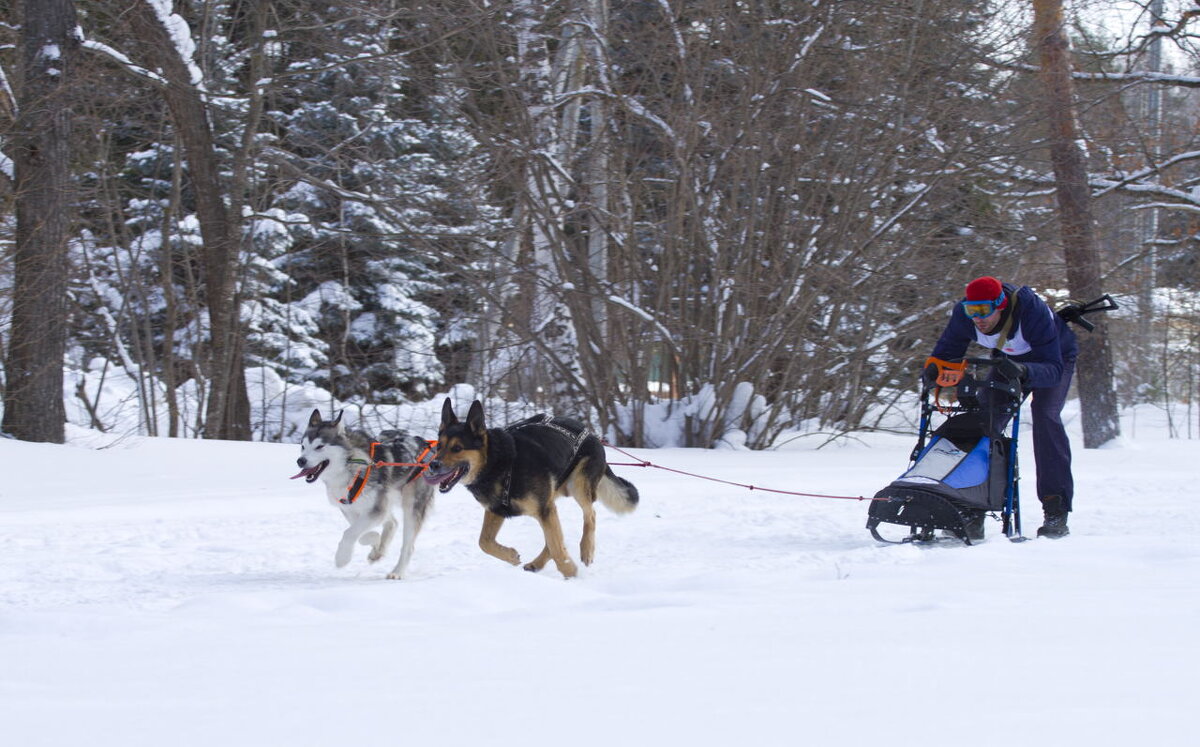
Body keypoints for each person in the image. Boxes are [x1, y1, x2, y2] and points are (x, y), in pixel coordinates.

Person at [923, 276, 1078, 539]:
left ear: (1001, 304)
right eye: (972, 310)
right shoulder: (965, 315)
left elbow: (1053, 370)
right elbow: (946, 353)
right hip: (1007, 361)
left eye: (984, 310)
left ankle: (1056, 510)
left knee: (1045, 417)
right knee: (984, 421)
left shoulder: (1032, 312)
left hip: (1054, 360)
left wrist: (1025, 370)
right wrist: (932, 373)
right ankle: (972, 507)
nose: (977, 318)